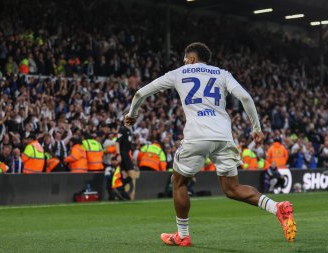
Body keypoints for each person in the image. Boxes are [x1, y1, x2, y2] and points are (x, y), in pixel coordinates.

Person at [125, 42, 296, 246]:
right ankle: (277, 207)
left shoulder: (179, 73)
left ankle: (182, 235)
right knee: (233, 189)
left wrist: (132, 114)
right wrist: (256, 128)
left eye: (185, 59)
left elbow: (140, 93)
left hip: (196, 136)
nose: (184, 62)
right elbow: (245, 97)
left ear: (192, 59)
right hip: (223, 137)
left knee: (179, 182)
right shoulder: (223, 74)